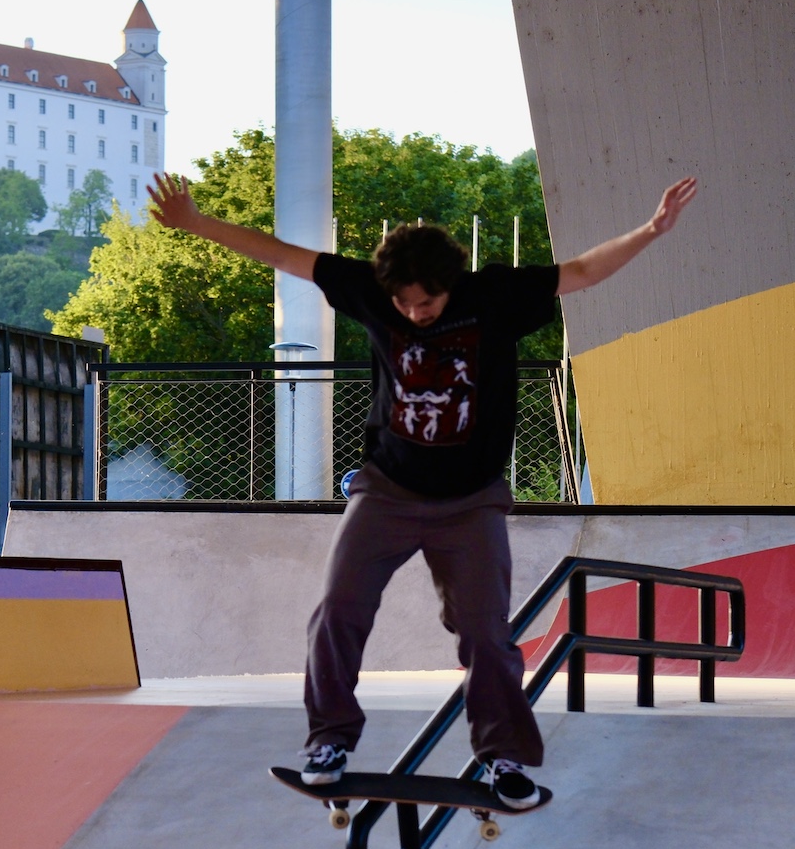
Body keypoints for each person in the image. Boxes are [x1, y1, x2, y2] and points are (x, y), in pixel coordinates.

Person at [147, 172, 697, 806]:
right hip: (386, 491)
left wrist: (650, 231)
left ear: (448, 285)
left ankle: (504, 760)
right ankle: (329, 739)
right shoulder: (370, 289)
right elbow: (283, 256)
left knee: (485, 633)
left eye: (426, 304)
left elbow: (579, 272)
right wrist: (195, 223)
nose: (414, 313)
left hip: (472, 502)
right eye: (404, 305)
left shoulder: (493, 294)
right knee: (337, 611)